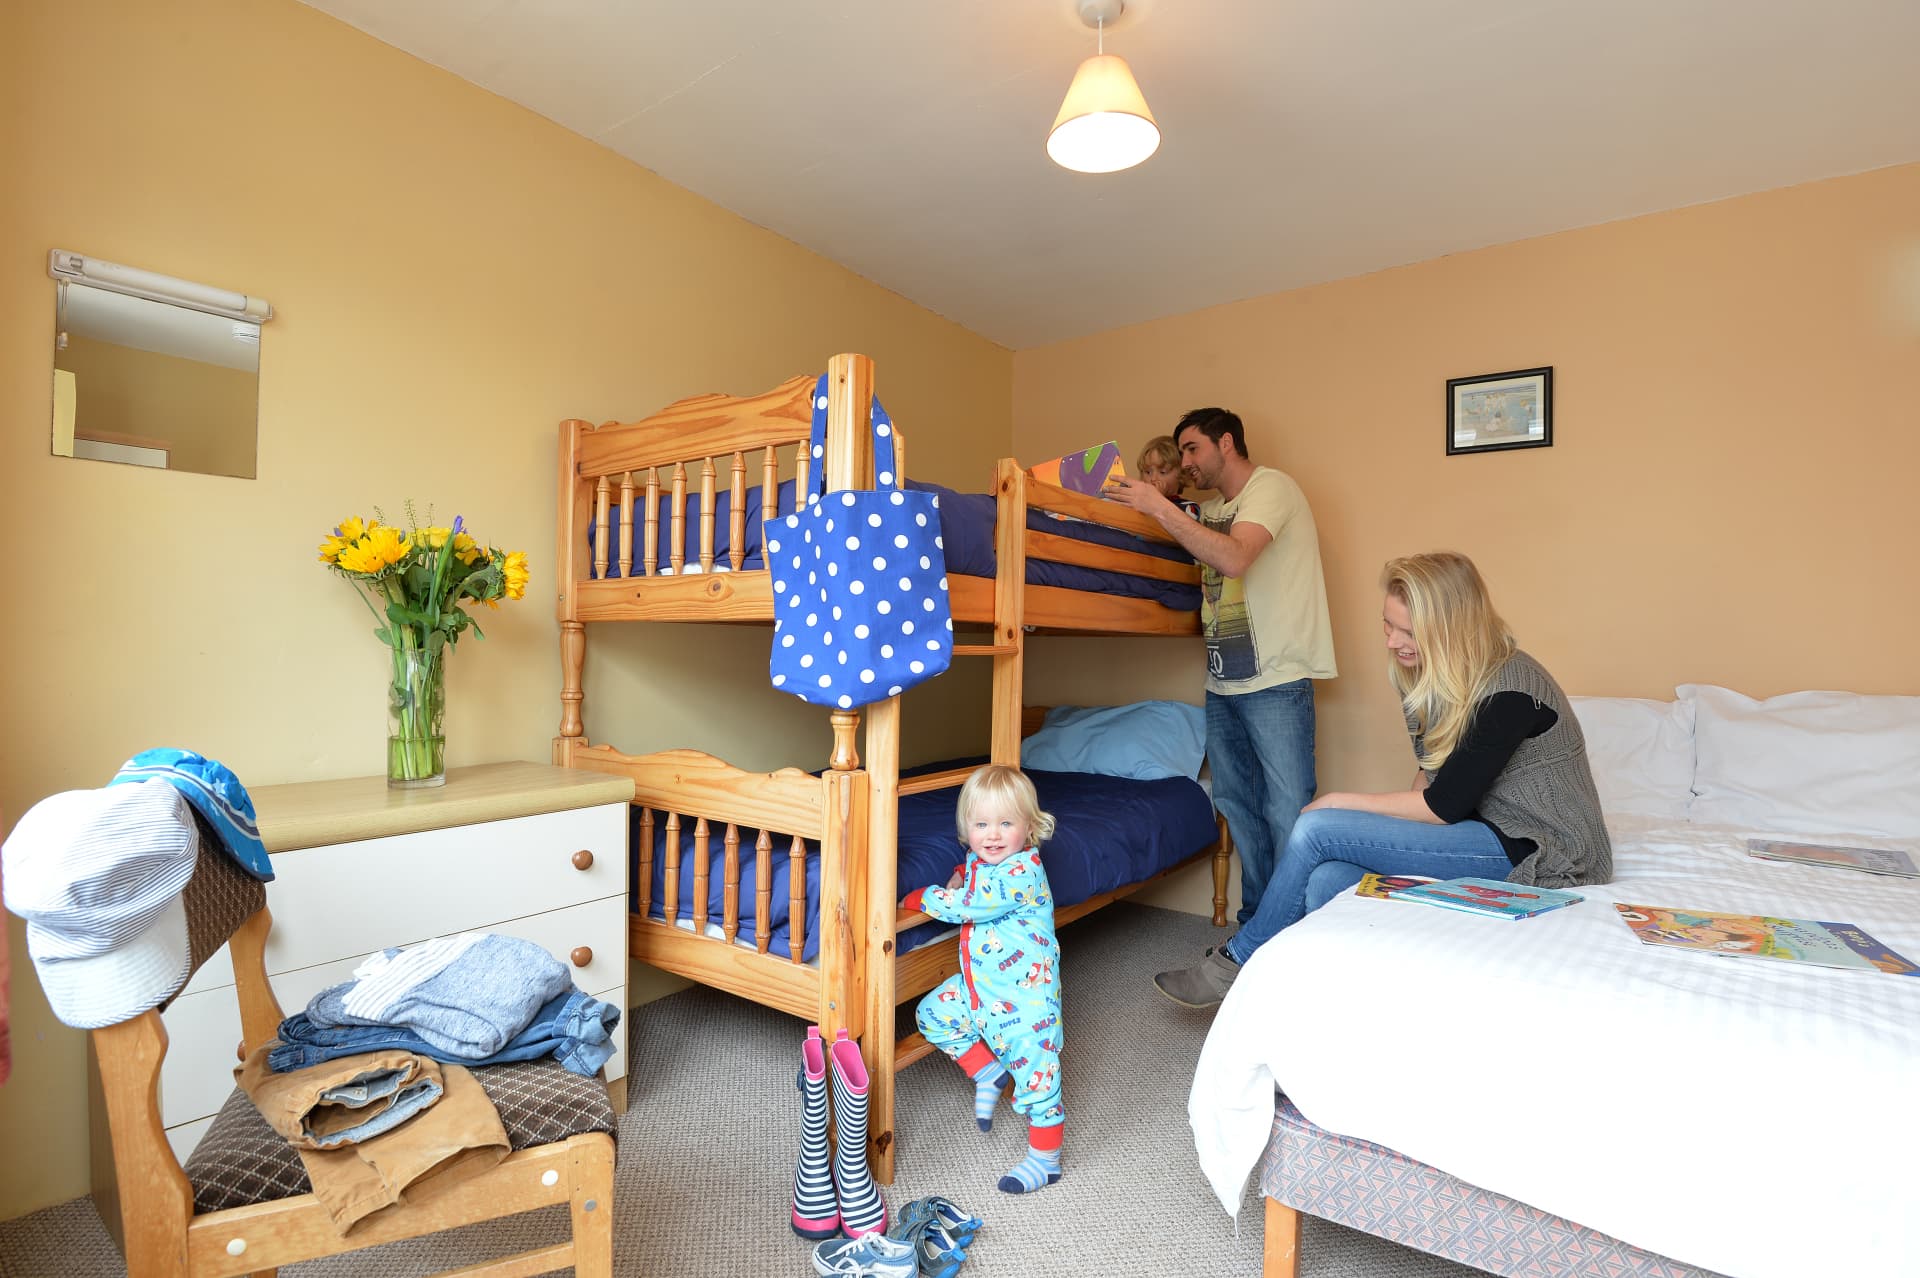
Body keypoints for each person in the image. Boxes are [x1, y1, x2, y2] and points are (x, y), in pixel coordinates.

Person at [1152, 551, 1613, 1007]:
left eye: (1408, 631)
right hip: (1485, 829)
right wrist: (1395, 836)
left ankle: (1237, 962)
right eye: (1388, 625)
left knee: (1317, 828)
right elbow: (1434, 772)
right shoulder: (1444, 677)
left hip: (1543, 848)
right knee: (1326, 881)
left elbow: (1443, 804)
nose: (1392, 642)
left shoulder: (1512, 690)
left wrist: (1339, 802)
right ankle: (1307, 998)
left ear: (1451, 628)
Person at [1105, 408, 1336, 933]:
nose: (1185, 462)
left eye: (1191, 449)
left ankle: (1297, 931)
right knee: (1238, 807)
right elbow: (1176, 534)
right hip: (1222, 680)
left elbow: (1234, 558)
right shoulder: (1206, 510)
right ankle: (1259, 926)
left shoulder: (1270, 488)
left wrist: (1160, 509)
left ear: (1225, 443)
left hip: (1275, 678)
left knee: (1286, 810)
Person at [906, 766, 1066, 1194]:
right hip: (980, 990)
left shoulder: (1022, 873)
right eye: (980, 825)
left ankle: (1046, 1160)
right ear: (966, 828)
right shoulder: (982, 861)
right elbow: (974, 874)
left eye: (1006, 824)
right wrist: (962, 871)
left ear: (1029, 828)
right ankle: (988, 1072)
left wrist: (924, 896)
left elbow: (970, 905)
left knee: (1038, 1077)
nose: (992, 836)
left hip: (1025, 1000)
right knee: (932, 1014)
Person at [1136, 435, 1201, 518]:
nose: (1153, 479)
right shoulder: (1138, 504)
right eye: (1148, 472)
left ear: (1182, 475)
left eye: (1162, 472)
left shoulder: (1189, 508)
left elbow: (1184, 528)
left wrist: (1158, 500)